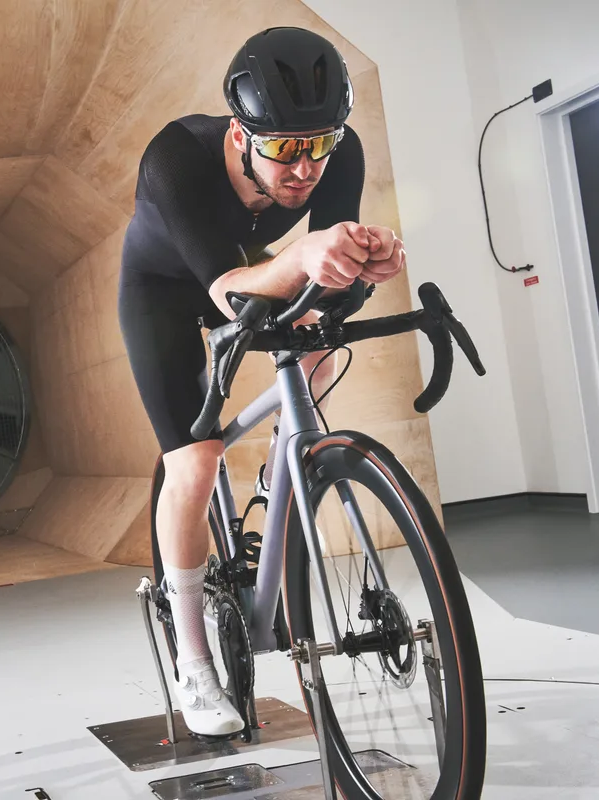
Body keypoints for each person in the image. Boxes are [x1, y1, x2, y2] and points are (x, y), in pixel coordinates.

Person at [117, 26, 407, 736]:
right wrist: (309, 254)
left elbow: (325, 268)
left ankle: (290, 467)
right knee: (196, 461)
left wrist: (362, 262)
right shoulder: (176, 159)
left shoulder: (339, 152)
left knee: (322, 343)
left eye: (319, 144)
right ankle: (193, 661)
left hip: (256, 268)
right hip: (171, 287)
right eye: (282, 147)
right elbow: (233, 289)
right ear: (242, 135)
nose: (304, 168)